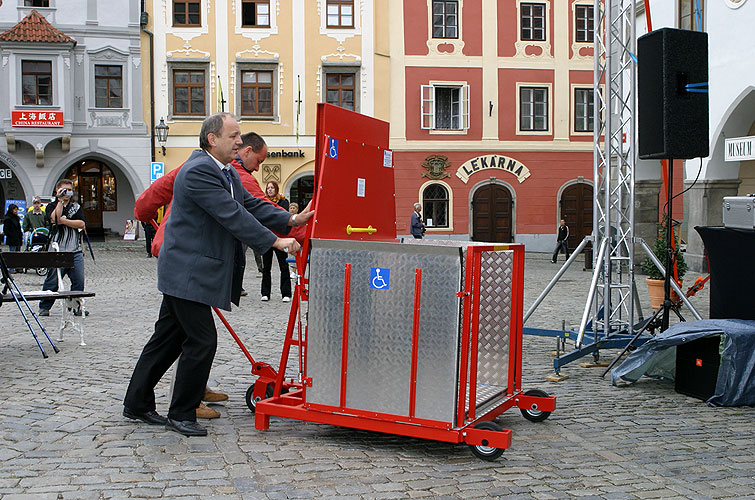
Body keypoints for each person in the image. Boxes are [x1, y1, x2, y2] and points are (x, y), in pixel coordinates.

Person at [123, 113, 313, 437]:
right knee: (201, 340)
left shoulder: (224, 172)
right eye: (234, 135)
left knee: (167, 341)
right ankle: (181, 413)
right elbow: (231, 215)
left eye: (239, 136)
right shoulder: (199, 171)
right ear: (212, 139)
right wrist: (275, 241)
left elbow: (250, 205)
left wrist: (291, 221)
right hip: (187, 272)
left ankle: (137, 402)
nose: (240, 141)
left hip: (190, 271)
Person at [38, 180, 87, 316]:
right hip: (57, 250)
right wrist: (60, 201)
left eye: (69, 190)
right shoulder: (51, 206)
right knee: (52, 281)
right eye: (64, 190)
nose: (67, 193)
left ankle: (75, 306)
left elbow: (81, 223)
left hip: (74, 250)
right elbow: (54, 218)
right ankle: (44, 306)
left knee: (78, 280)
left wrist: (64, 221)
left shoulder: (75, 207)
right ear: (57, 190)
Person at [260, 181, 291, 303]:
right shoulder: (263, 201)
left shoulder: (283, 201)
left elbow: (282, 215)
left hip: (280, 237)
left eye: (272, 188)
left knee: (284, 266)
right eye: (268, 188)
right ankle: (265, 293)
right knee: (266, 267)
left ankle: (286, 293)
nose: (270, 190)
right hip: (267, 237)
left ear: (276, 189)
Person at [3, 205, 23, 270]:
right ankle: (12, 268)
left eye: (16, 210)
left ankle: (17, 267)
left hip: (18, 239)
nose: (16, 211)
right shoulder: (8, 218)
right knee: (12, 254)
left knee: (18, 254)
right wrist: (12, 235)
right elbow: (6, 230)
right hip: (12, 239)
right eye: (14, 210)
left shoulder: (16, 218)